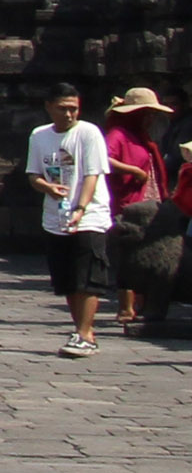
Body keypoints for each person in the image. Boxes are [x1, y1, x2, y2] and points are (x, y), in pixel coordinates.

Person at [28, 88, 115, 355]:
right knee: (67, 278)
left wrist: (80, 207)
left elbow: (92, 174)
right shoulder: (39, 135)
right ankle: (81, 330)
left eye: (73, 108)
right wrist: (47, 188)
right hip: (56, 216)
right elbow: (33, 174)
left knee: (87, 276)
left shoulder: (88, 133)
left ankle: (85, 334)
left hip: (89, 215)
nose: (68, 114)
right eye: (63, 108)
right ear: (49, 107)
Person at [97, 89, 174, 335]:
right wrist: (133, 170)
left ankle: (144, 303)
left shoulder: (141, 136)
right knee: (128, 254)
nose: (150, 119)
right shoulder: (118, 134)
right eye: (146, 114)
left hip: (150, 201)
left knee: (148, 254)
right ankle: (126, 307)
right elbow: (104, 160)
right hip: (129, 203)